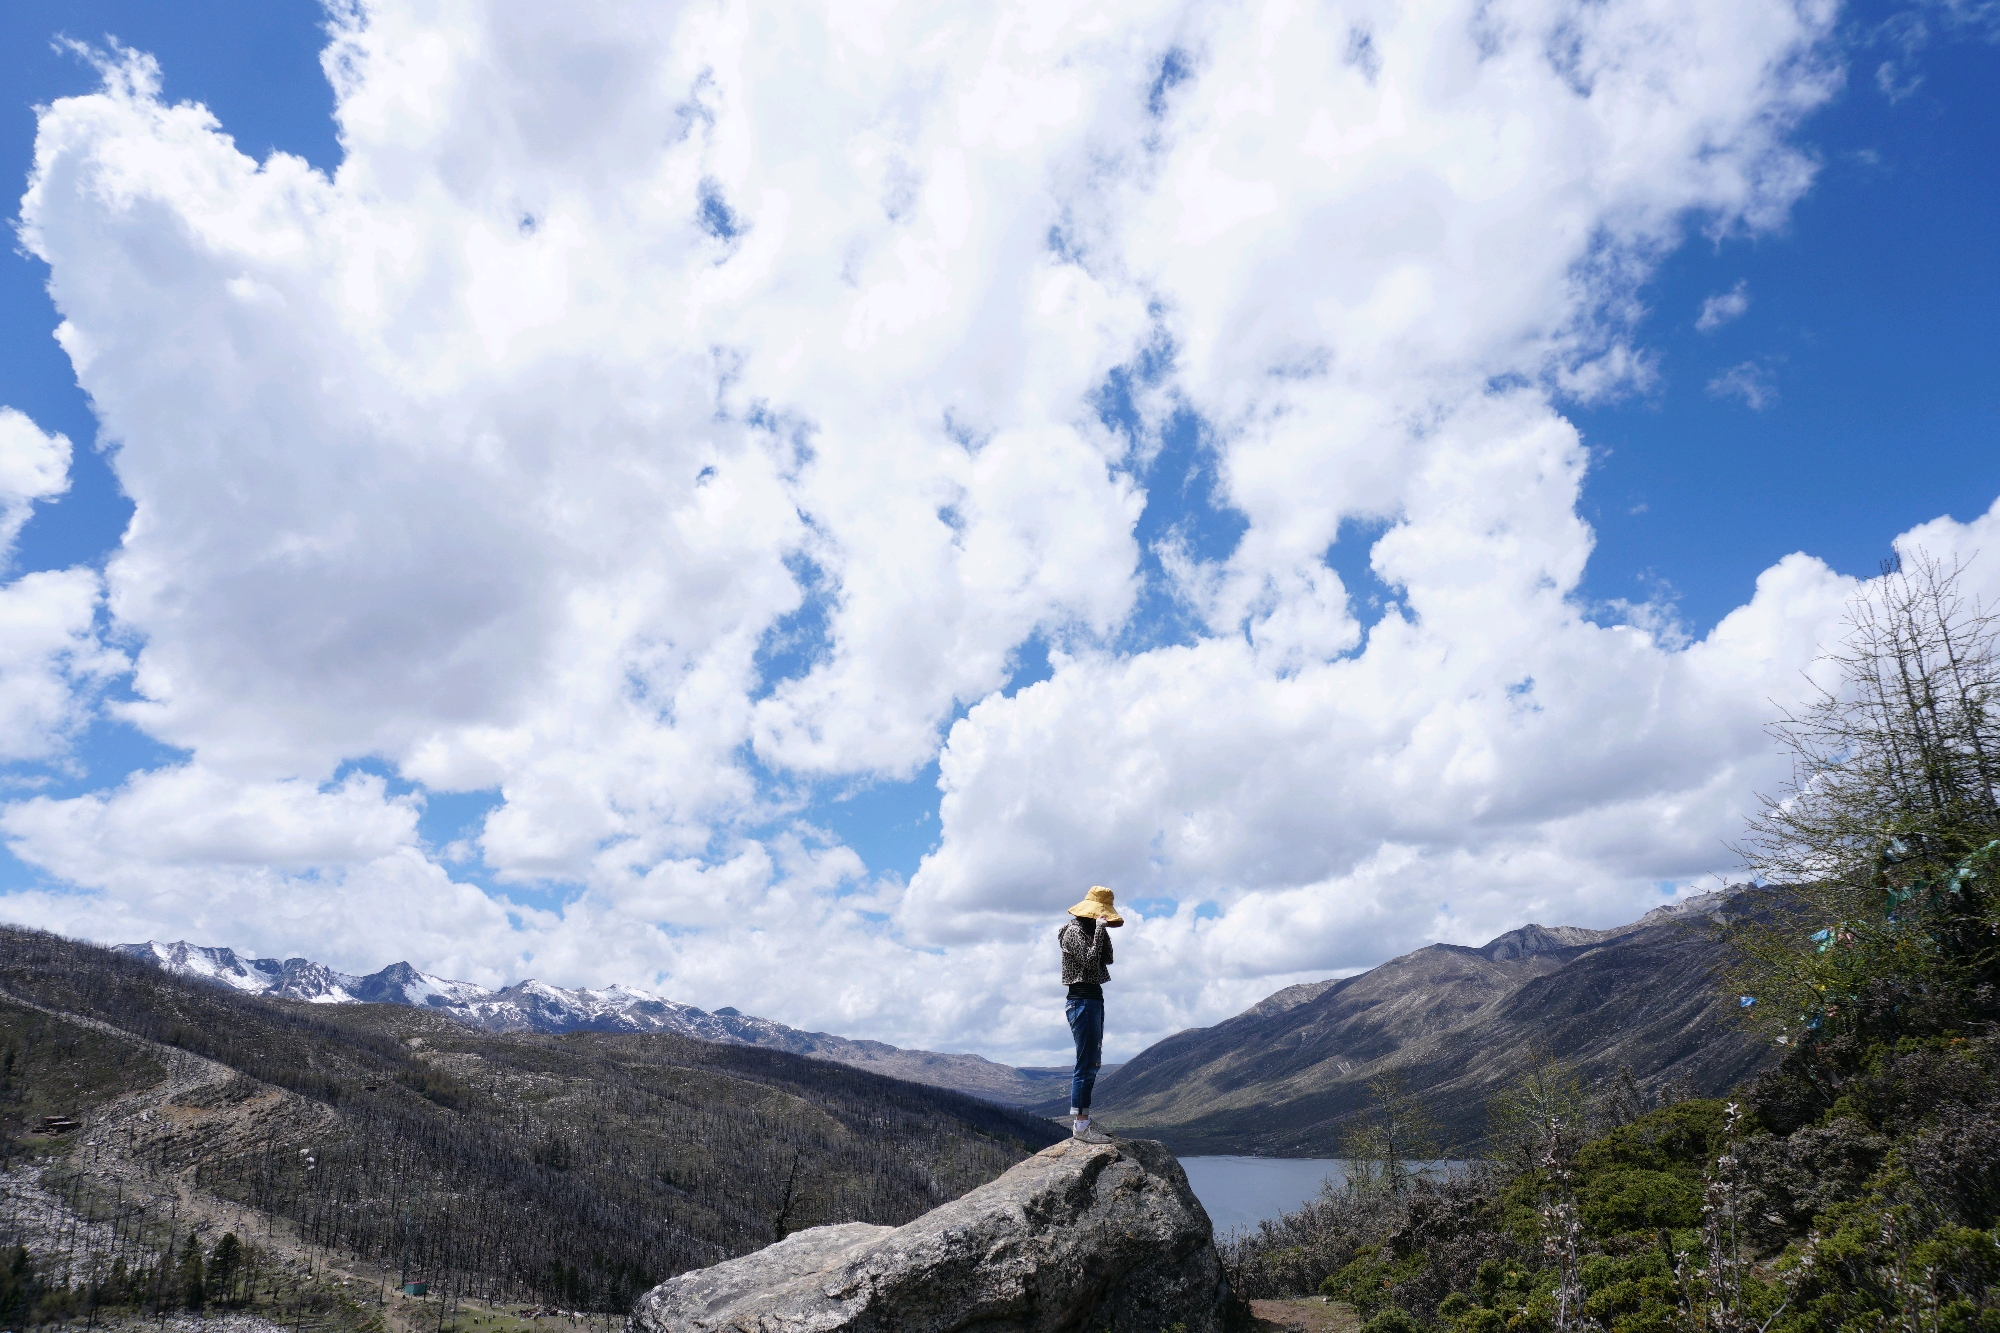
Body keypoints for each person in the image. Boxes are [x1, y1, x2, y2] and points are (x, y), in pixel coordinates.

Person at [1058, 886, 1121, 1143]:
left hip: (1093, 998)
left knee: (1093, 1060)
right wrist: (1098, 930)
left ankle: (1084, 1122)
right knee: (1085, 1062)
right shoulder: (1073, 932)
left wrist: (1102, 932)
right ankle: (1081, 1126)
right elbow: (1089, 960)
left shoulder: (1089, 930)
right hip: (1081, 1000)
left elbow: (1107, 958)